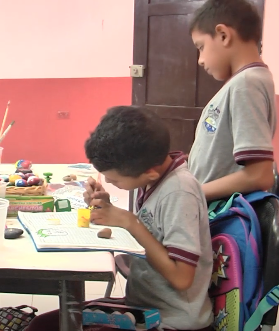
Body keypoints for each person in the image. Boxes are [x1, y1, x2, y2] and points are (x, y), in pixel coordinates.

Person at [30, 106, 213, 331]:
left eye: (115, 181)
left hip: (172, 321)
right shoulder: (153, 177)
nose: (110, 182)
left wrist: (130, 222)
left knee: (56, 327)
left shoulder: (179, 192)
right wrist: (106, 205)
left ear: (150, 173)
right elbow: (153, 229)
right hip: (145, 307)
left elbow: (182, 278)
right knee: (43, 325)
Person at [188, 0, 276, 201]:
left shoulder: (247, 84)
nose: (200, 59)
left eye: (201, 47)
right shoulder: (245, 81)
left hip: (216, 215)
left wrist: (191, 194)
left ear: (223, 35)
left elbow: (260, 175)